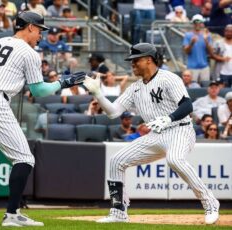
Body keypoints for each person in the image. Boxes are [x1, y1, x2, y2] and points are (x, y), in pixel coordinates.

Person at [0, 11, 85, 226]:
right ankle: (12, 214)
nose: (40, 35)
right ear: (29, 27)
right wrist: (63, 83)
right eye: (39, 30)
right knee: (25, 159)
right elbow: (38, 90)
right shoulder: (28, 53)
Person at [83, 42, 220, 224]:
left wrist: (169, 118)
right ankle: (118, 212)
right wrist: (98, 94)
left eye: (135, 60)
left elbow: (187, 105)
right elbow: (114, 112)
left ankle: (210, 202)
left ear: (148, 60)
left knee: (174, 159)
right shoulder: (135, 88)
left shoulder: (168, 78)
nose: (132, 64)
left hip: (180, 130)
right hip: (155, 135)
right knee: (117, 161)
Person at [183, 14, 213, 84]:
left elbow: (211, 52)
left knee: (206, 87)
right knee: (192, 88)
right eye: (195, 23)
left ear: (202, 23)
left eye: (199, 22)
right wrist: (192, 43)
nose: (197, 24)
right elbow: (186, 52)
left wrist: (206, 41)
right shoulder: (188, 35)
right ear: (193, 24)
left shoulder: (207, 35)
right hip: (192, 67)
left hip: (204, 67)